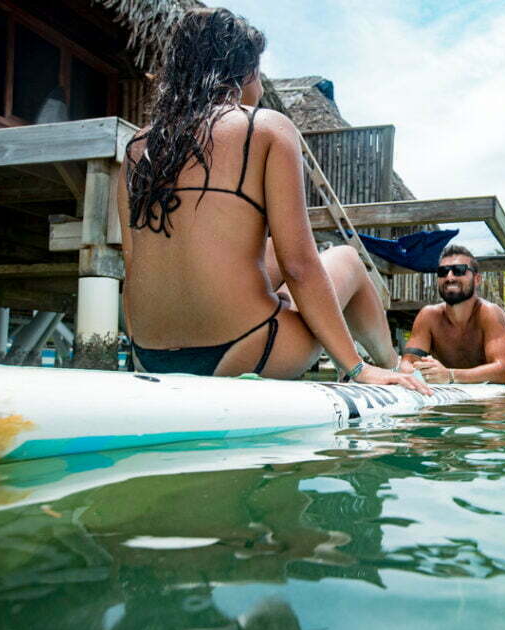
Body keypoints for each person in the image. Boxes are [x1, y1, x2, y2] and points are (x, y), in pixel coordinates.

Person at [118, 8, 428, 395]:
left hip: (152, 355)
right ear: (243, 71)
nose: (261, 87)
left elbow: (133, 263)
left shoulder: (137, 147)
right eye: (258, 72)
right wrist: (354, 368)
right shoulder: (264, 127)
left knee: (270, 254)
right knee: (346, 258)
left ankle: (380, 362)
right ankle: (388, 366)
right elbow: (299, 267)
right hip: (246, 349)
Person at [399, 245, 505, 384]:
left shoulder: (490, 313)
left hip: (487, 397)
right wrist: (415, 371)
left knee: (498, 405)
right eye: (443, 271)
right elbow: (407, 362)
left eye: (459, 270)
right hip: (444, 395)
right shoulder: (428, 316)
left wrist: (450, 375)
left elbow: (503, 371)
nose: (449, 277)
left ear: (477, 279)